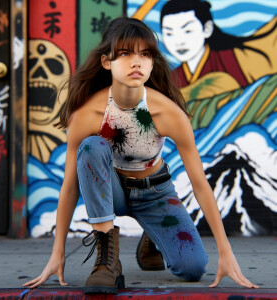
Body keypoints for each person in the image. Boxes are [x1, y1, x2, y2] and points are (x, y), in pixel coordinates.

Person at [23, 17, 258, 294]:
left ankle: (152, 235)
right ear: (106, 61)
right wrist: (57, 253)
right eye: (125, 53)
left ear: (151, 62)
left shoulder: (168, 113)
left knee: (193, 268)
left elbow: (200, 183)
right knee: (91, 147)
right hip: (111, 191)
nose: (137, 62)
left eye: (145, 54)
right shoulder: (87, 114)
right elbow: (71, 185)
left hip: (155, 193)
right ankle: (106, 261)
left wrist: (225, 251)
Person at [161, 0, 277, 94]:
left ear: (207, 29)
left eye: (188, 31)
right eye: (169, 34)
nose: (178, 41)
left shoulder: (234, 59)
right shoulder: (170, 80)